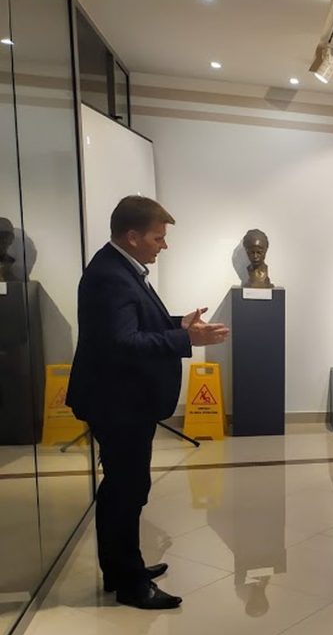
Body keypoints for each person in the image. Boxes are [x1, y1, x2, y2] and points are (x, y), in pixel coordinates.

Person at [67, 196, 229, 610]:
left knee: (125, 487)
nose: (164, 245)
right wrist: (185, 339)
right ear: (132, 236)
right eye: (158, 238)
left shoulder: (120, 267)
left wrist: (177, 324)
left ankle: (121, 568)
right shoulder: (111, 276)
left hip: (124, 401)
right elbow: (123, 343)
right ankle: (130, 583)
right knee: (126, 490)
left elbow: (133, 325)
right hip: (118, 402)